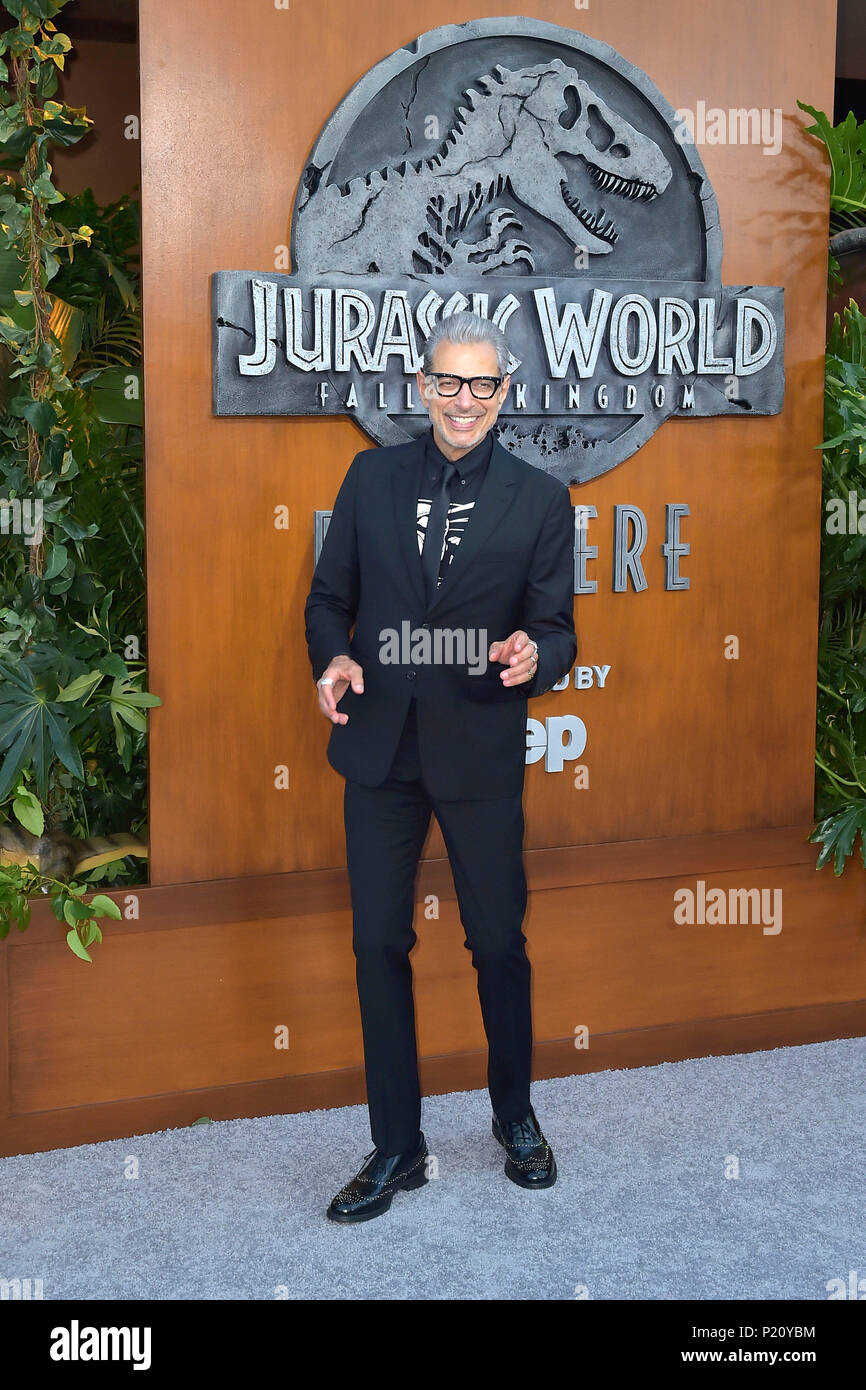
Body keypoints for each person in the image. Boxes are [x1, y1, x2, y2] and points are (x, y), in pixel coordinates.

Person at [304, 310, 577, 1222]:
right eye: (449, 384)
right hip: (380, 749)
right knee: (378, 942)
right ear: (423, 388)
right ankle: (398, 1149)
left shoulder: (540, 499)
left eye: (483, 386)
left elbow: (556, 627)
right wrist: (332, 660)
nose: (465, 402)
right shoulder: (369, 476)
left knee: (497, 942)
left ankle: (515, 1116)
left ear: (504, 394)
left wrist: (539, 656)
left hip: (480, 746)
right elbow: (328, 598)